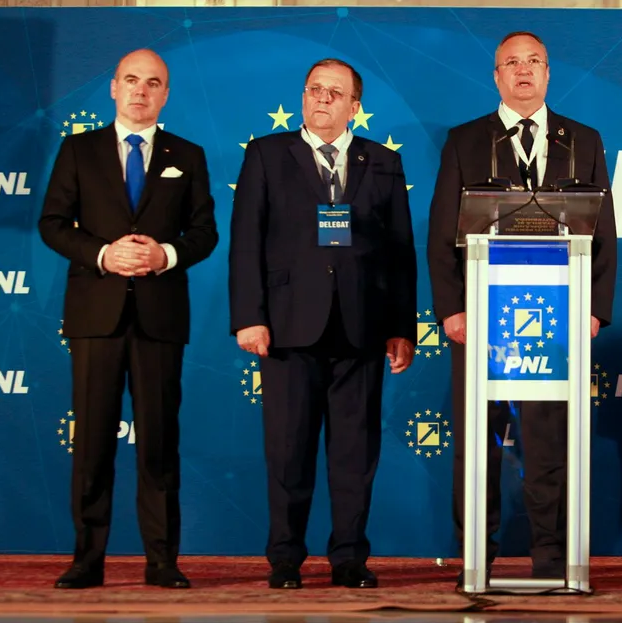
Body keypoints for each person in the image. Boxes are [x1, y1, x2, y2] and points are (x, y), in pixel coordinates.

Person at [427, 31, 618, 584]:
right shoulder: (466, 140)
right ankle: (475, 555)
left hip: (555, 318)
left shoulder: (583, 140)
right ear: (497, 76)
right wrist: (452, 310)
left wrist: (593, 309)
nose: (524, 70)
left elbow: (603, 235)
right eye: (512, 62)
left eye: (534, 60)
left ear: (549, 72)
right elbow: (441, 234)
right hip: (481, 317)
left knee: (548, 439)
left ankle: (552, 555)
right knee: (477, 441)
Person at [229, 58, 417, 590]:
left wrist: (402, 327)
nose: (323, 99)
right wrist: (249, 317)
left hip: (362, 327)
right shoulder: (266, 154)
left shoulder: (382, 161)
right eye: (315, 89)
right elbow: (246, 241)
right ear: (303, 97)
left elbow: (400, 252)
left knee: (355, 454)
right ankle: (285, 557)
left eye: (336, 93)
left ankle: (349, 558)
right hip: (287, 326)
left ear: (355, 106)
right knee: (288, 450)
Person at [38, 48, 218, 589]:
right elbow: (52, 223)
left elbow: (204, 233)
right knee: (92, 442)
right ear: (114, 87)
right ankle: (87, 560)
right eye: (132, 80)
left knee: (159, 443)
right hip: (96, 315)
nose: (141, 90)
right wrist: (102, 254)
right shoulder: (79, 149)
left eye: (153, 82)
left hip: (160, 317)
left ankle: (162, 561)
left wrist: (165, 254)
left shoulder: (188, 154)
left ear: (166, 94)